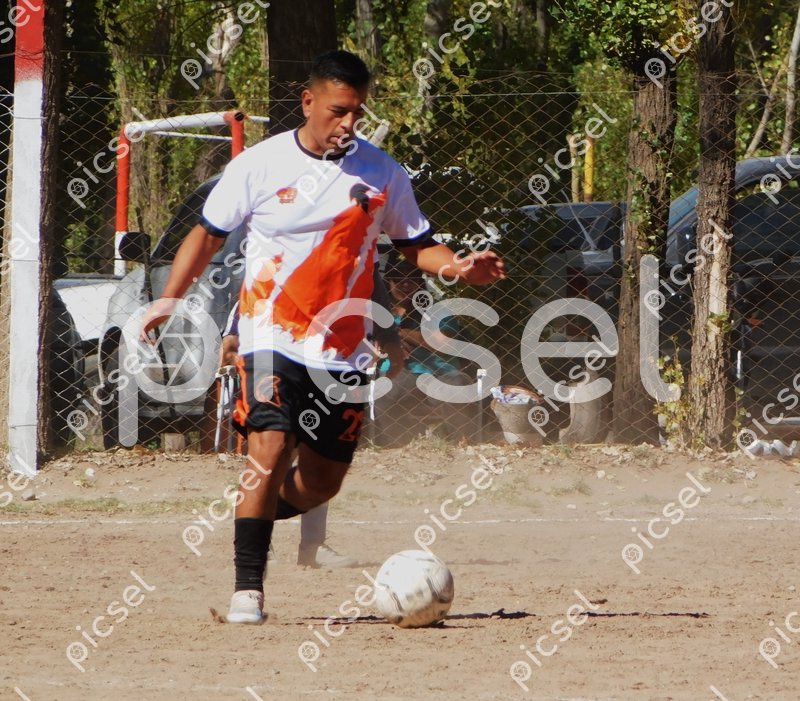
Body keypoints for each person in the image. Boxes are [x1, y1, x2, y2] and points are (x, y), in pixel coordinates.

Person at [141, 50, 505, 624]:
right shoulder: (259, 166)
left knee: (320, 483)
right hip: (270, 336)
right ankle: (248, 591)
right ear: (308, 102)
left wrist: (459, 267)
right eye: (338, 111)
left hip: (342, 348)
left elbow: (417, 245)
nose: (349, 123)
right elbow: (206, 236)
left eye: (357, 111)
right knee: (267, 447)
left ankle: (253, 510)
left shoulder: (382, 172)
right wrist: (168, 300)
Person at [218, 264, 403, 568]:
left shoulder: (359, 250)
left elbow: (372, 286)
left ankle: (312, 547)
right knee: (273, 452)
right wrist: (233, 332)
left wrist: (389, 337)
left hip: (336, 358)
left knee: (319, 456)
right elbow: (259, 280)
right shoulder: (289, 241)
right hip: (278, 351)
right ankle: (259, 546)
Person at [379, 256, 474, 443]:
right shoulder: (382, 315)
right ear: (388, 283)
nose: (405, 284)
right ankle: (399, 445)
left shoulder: (437, 311)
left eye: (412, 278)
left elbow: (443, 343)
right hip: (400, 372)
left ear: (420, 282)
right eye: (397, 279)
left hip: (440, 373)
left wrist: (398, 333)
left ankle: (461, 443)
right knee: (384, 391)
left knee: (456, 385)